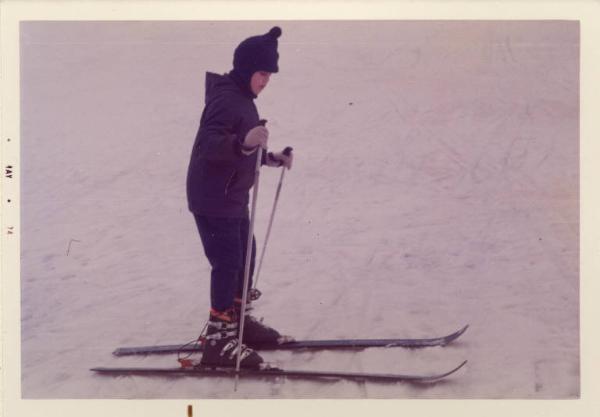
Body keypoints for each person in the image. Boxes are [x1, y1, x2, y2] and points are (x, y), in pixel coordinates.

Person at [186, 26, 293, 369]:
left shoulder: (243, 99)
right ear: (247, 70)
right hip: (213, 198)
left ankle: (239, 323)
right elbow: (209, 145)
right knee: (228, 263)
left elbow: (242, 146)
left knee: (246, 255)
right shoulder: (225, 99)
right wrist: (244, 143)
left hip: (231, 196)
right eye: (263, 73)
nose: (266, 81)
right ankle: (218, 341)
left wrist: (268, 156)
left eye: (269, 75)